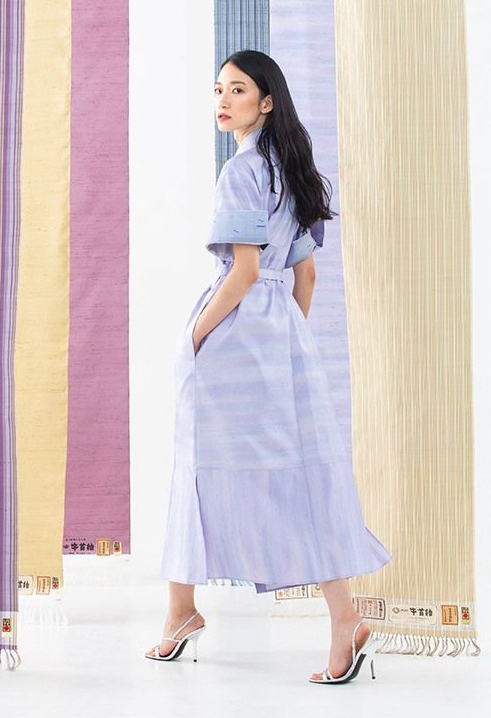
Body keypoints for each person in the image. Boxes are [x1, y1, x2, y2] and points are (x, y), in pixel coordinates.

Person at [146, 50, 390, 684]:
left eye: (238, 90)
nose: (223, 101)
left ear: (266, 101)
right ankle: (342, 617)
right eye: (218, 90)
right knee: (300, 476)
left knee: (195, 465)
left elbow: (245, 271)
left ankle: (181, 612)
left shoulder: (241, 171)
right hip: (283, 336)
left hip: (235, 334)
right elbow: (304, 275)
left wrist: (196, 336)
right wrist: (284, 337)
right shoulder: (290, 171)